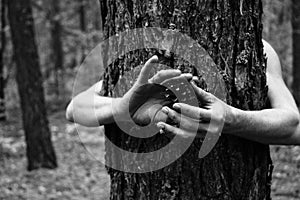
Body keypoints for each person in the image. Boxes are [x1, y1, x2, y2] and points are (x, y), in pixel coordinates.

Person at [66, 40, 300, 145]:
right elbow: (74, 108)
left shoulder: (255, 47)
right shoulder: (138, 49)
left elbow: (293, 126)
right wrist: (120, 107)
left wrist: (232, 119)